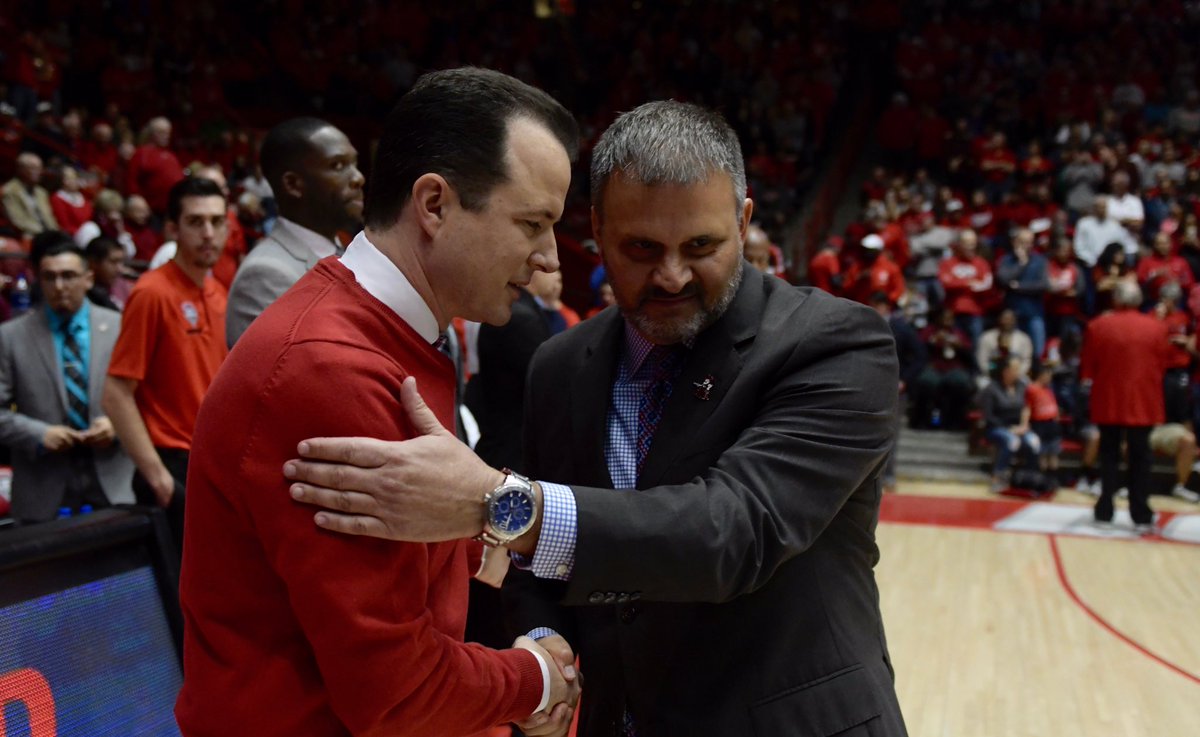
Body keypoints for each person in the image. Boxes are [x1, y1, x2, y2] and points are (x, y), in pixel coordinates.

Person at [284, 100, 908, 736]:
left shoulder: (834, 343)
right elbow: (536, 566)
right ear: (598, 231)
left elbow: (734, 530)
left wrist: (499, 503)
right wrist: (544, 644)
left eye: (701, 246)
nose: (671, 275)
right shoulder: (559, 365)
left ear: (743, 222)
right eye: (641, 248)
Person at [175, 67, 581, 737]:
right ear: (434, 205)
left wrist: (492, 537)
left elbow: (418, 564)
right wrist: (536, 680)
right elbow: (395, 694)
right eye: (532, 224)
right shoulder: (329, 369)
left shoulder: (386, 331)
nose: (547, 258)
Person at [102, 177, 229, 552]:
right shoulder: (151, 292)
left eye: (216, 221)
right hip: (171, 466)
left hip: (210, 463)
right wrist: (157, 475)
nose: (208, 233)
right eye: (195, 222)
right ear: (173, 228)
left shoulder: (218, 292)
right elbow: (116, 393)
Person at [0, 241, 134, 522]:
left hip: (113, 480)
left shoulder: (120, 327)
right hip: (43, 483)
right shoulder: (10, 337)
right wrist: (39, 434)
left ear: (88, 279)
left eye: (69, 276)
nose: (59, 286)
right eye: (50, 277)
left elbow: (148, 397)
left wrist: (117, 425)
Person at [225, 118, 365, 345]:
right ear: (293, 184)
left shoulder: (352, 256)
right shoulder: (265, 275)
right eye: (338, 166)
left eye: (354, 164)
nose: (358, 178)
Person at [1080, 280, 1170, 532]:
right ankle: (1140, 512)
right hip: (1143, 399)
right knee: (1141, 457)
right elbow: (1163, 364)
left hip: (1108, 398)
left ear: (1116, 299)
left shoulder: (1098, 325)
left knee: (1108, 454)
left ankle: (1105, 509)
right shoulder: (1157, 328)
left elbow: (1088, 365)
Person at [979, 356, 1041, 492]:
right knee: (1012, 441)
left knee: (1034, 441)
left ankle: (1029, 477)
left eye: (1018, 369)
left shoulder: (1022, 386)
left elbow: (1026, 407)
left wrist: (1024, 425)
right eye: (1015, 369)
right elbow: (988, 416)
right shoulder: (991, 389)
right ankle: (998, 476)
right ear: (1005, 371)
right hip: (996, 428)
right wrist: (1009, 429)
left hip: (1019, 427)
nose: (1018, 372)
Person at [2, 152, 59, 236]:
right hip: (27, 235)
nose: (38, 172)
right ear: (21, 169)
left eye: (40, 168)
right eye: (33, 168)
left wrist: (56, 234)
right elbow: (18, 221)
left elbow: (49, 219)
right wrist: (44, 233)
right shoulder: (9, 190)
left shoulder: (42, 193)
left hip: (48, 236)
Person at [84, 235, 133, 311]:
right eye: (113, 262)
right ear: (93, 263)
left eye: (121, 262)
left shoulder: (123, 286)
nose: (120, 269)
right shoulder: (83, 295)